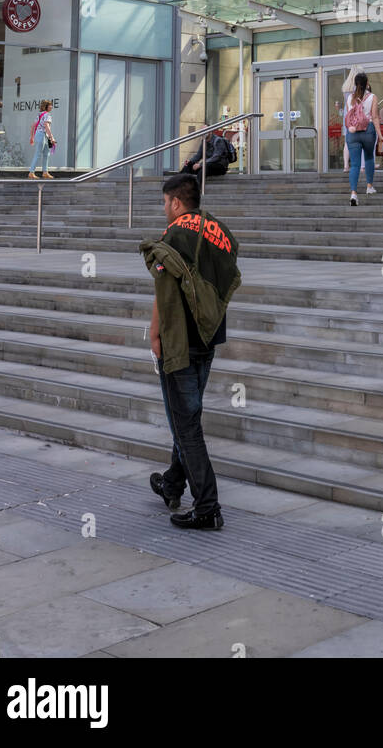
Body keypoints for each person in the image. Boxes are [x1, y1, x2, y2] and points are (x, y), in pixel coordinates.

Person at [142, 172, 240, 531]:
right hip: (209, 336)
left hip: (180, 340)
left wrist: (154, 335)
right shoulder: (221, 232)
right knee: (188, 415)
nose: (164, 209)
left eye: (165, 202)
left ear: (176, 202)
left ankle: (207, 507)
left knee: (185, 426)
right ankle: (172, 483)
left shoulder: (174, 235)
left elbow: (164, 292)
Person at [344, 72, 383, 206]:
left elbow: (349, 116)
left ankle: (354, 194)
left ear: (355, 84)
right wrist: (380, 135)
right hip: (368, 130)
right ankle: (369, 186)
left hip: (353, 133)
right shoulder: (372, 97)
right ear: (367, 83)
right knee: (369, 158)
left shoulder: (350, 97)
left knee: (355, 164)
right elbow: (375, 117)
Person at [340, 65, 365, 173]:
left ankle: (346, 165)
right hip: (357, 116)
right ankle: (361, 166)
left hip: (347, 117)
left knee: (347, 142)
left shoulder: (346, 87)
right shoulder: (358, 88)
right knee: (361, 141)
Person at [27, 100, 54, 180]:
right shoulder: (47, 115)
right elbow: (46, 126)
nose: (51, 107)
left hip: (40, 135)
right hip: (42, 135)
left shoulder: (40, 114)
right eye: (50, 105)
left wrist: (32, 137)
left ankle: (45, 172)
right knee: (38, 154)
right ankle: (31, 172)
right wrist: (52, 137)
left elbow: (33, 126)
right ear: (46, 106)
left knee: (46, 153)